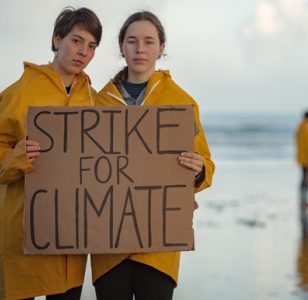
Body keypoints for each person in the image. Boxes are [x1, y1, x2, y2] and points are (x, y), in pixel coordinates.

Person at [91, 11, 215, 300]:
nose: (140, 49)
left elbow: (206, 164)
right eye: (132, 41)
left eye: (148, 41)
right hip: (109, 247)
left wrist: (198, 170)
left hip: (159, 247)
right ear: (122, 46)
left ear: (161, 47)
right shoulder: (96, 103)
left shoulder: (181, 102)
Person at [0, 7, 102, 300]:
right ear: (57, 40)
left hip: (71, 233)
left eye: (92, 46)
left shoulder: (93, 100)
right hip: (24, 229)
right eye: (77, 40)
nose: (83, 51)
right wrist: (19, 155)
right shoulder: (20, 91)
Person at [295, 111, 308, 208]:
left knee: (304, 180)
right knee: (306, 180)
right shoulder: (305, 129)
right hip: (306, 159)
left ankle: (303, 200)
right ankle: (304, 201)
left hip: (302, 158)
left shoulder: (300, 128)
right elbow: (307, 147)